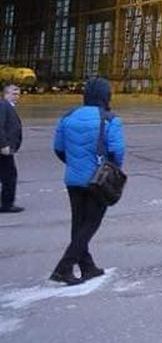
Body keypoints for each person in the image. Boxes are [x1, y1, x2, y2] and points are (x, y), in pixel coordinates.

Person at [50, 77, 125, 285]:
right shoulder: (110, 119)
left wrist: (74, 163)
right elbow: (117, 151)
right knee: (91, 224)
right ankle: (63, 268)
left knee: (79, 222)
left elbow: (58, 147)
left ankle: (87, 266)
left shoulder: (68, 116)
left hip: (73, 179)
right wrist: (112, 169)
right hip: (97, 181)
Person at [0, 83, 24, 213]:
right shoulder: (3, 106)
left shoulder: (7, 106)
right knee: (9, 176)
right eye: (13, 93)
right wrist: (3, 145)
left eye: (18, 94)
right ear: (6, 94)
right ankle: (7, 204)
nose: (17, 96)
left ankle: (7, 202)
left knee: (7, 176)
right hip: (4, 149)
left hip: (7, 148)